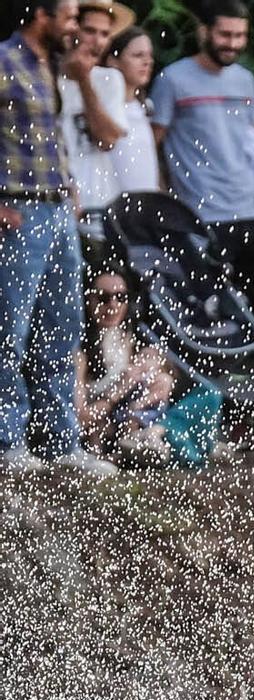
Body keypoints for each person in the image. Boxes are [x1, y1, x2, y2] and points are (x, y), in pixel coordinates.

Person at [152, 0, 254, 381]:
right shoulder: (173, 80)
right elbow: (153, 145)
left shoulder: (245, 81)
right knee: (211, 322)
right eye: (225, 34)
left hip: (250, 215)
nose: (233, 43)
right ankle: (216, 420)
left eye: (240, 35)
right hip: (202, 219)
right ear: (203, 31)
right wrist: (164, 208)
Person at [0, 0, 115, 476]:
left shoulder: (52, 66)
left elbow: (49, 136)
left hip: (57, 208)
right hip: (18, 210)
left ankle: (59, 440)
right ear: (40, 15)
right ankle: (7, 441)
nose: (76, 27)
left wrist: (68, 186)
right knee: (10, 328)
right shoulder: (4, 60)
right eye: (68, 17)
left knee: (61, 327)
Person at [75, 261, 172, 456]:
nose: (113, 305)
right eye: (103, 298)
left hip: (141, 421)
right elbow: (81, 419)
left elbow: (166, 380)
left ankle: (152, 438)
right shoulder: (80, 353)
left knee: (207, 394)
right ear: (87, 301)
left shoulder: (133, 339)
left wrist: (157, 372)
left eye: (121, 297)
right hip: (105, 428)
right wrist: (119, 390)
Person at [59, 0, 127, 243]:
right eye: (89, 31)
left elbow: (107, 139)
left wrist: (84, 80)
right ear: (72, 28)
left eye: (105, 34)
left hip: (98, 205)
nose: (97, 41)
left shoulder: (109, 79)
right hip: (53, 203)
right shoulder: (43, 76)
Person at [107, 22, 158, 193]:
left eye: (149, 55)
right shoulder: (104, 109)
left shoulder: (146, 107)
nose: (147, 62)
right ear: (113, 61)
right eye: (138, 55)